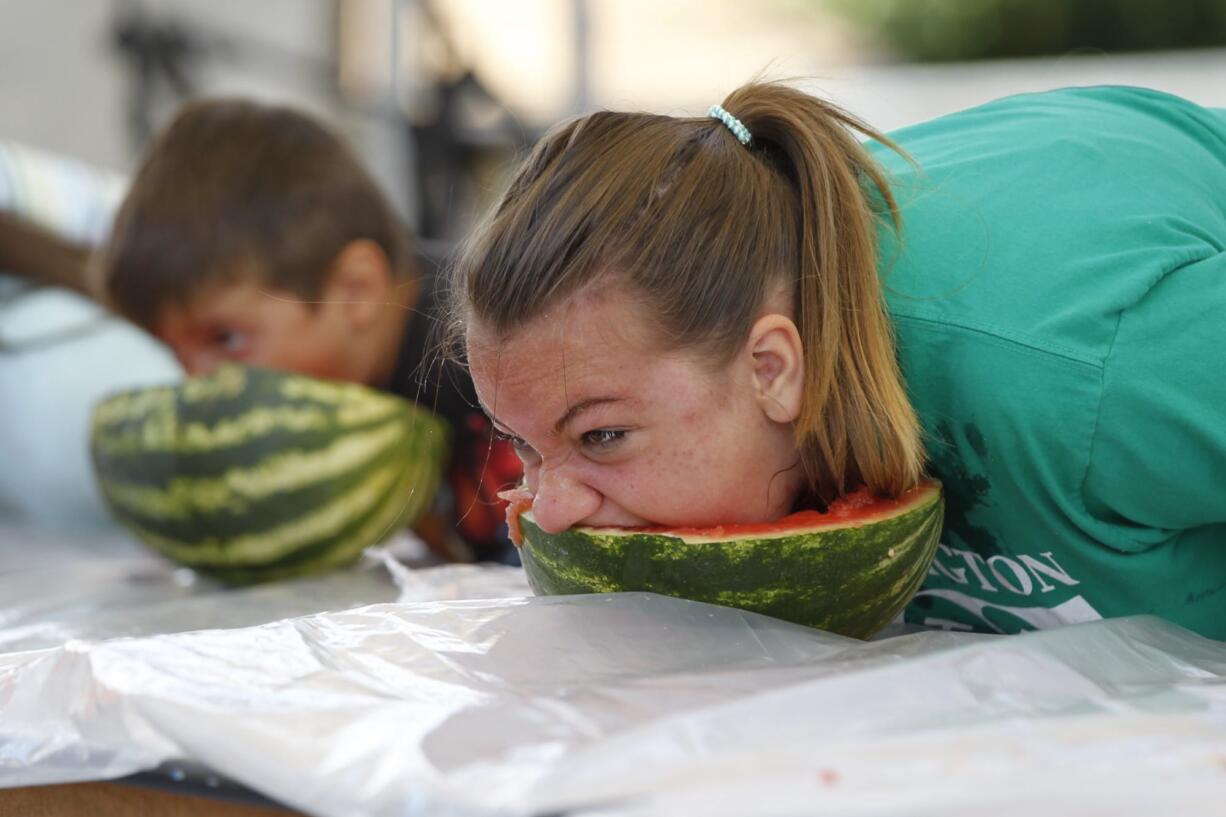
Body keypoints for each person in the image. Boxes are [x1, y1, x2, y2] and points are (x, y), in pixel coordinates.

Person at [448, 82, 1226, 638]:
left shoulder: (1089, 376)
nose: (544, 513)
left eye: (602, 436)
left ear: (772, 370)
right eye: (522, 444)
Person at [95, 98, 521, 563]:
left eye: (225, 340)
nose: (200, 385)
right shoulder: (356, 392)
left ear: (356, 291)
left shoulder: (492, 357)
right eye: (174, 354)